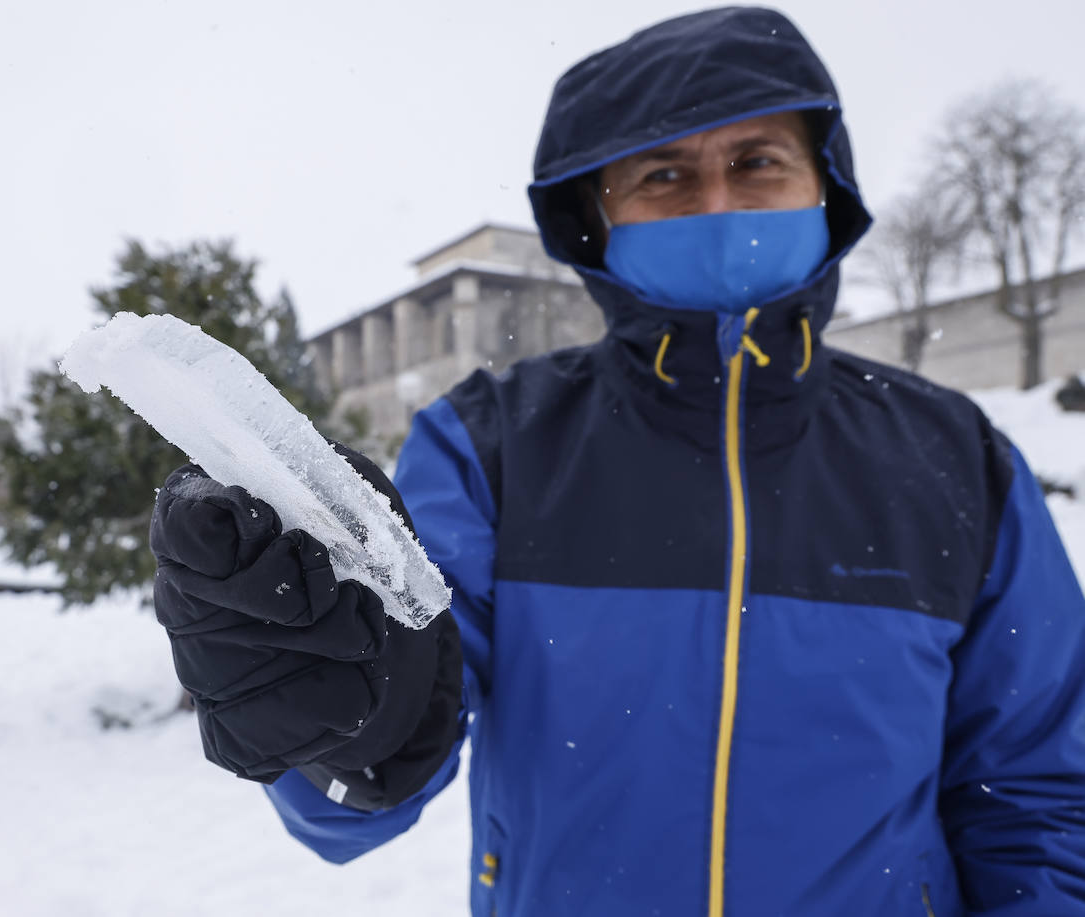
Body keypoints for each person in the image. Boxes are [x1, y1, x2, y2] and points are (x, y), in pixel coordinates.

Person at [150, 7, 1085, 915]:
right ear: (597, 216)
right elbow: (384, 749)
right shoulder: (492, 447)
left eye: (757, 161)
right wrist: (328, 703)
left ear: (825, 187)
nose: (715, 202)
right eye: (665, 175)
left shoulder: (958, 460)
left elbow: (1042, 793)